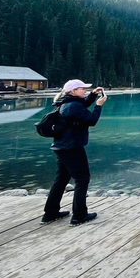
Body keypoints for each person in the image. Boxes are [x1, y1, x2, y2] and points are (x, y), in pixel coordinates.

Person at [42, 79, 107, 226]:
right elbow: (91, 120)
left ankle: (50, 213)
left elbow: (81, 107)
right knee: (82, 179)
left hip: (62, 146)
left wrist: (92, 95)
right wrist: (98, 106)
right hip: (72, 147)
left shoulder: (66, 103)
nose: (84, 90)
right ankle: (79, 215)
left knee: (61, 180)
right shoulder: (72, 106)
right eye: (82, 89)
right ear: (73, 91)